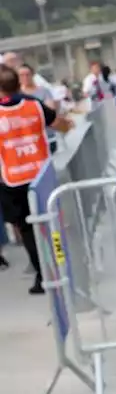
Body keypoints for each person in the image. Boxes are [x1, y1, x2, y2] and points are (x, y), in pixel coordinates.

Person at [0, 65, 72, 294]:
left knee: (27, 229)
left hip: (13, 180)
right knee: (52, 222)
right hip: (41, 175)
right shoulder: (35, 106)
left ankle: (43, 275)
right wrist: (69, 124)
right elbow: (61, 124)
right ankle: (64, 267)